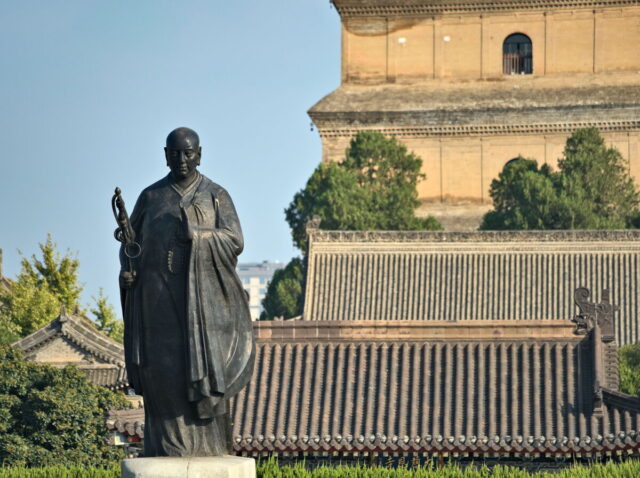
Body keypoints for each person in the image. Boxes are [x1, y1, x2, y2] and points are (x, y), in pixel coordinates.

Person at [119, 127, 254, 457]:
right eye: (175, 153)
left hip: (204, 306)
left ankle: (210, 446)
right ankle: (166, 447)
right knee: (163, 372)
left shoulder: (215, 195)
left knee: (204, 372)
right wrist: (128, 270)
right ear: (165, 155)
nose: (182, 159)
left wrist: (199, 235)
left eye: (188, 153)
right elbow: (130, 245)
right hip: (158, 301)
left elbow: (235, 241)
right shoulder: (151, 198)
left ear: (200, 154)